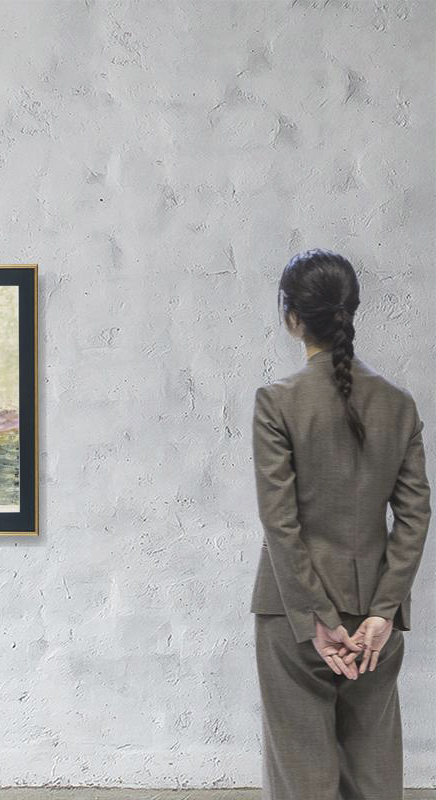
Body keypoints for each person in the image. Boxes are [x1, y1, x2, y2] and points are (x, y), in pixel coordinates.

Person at [249, 248, 431, 799]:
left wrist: (316, 617)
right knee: (374, 777)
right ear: (351, 311)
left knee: (301, 778)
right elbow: (415, 514)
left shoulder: (277, 402)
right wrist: (382, 612)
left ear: (292, 317)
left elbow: (280, 521)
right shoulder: (399, 404)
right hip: (375, 613)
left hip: (293, 616)